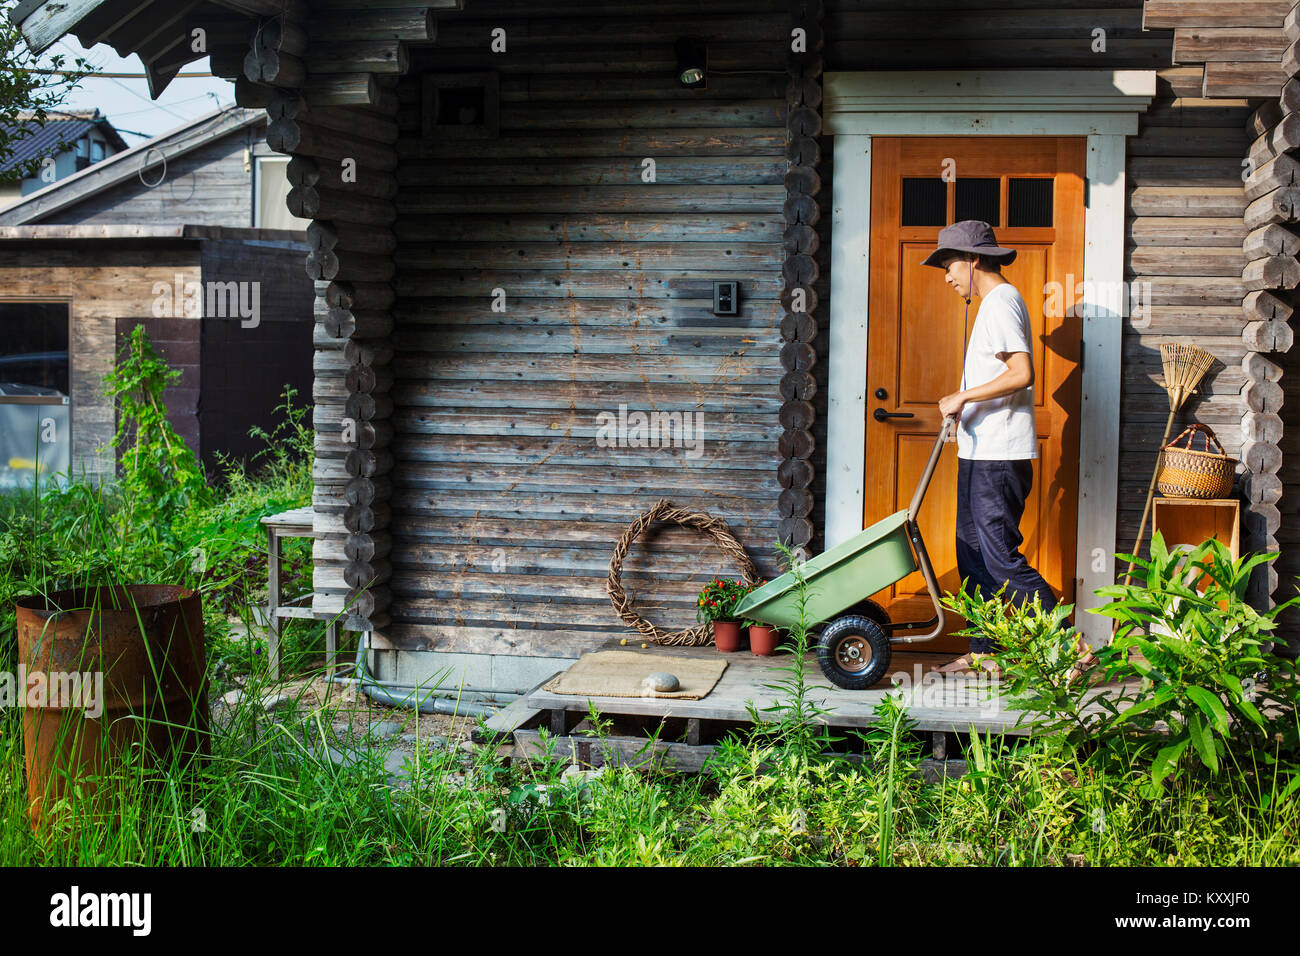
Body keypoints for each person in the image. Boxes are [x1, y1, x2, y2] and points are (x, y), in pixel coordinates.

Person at [919, 221, 1059, 676]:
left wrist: (962, 397)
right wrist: (966, 406)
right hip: (981, 453)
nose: (946, 274)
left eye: (949, 263)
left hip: (999, 456)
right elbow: (1000, 379)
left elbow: (1022, 373)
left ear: (974, 259)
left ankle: (1070, 647)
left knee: (998, 554)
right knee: (972, 553)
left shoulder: (1001, 301)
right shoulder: (992, 305)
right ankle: (985, 652)